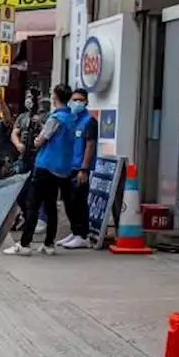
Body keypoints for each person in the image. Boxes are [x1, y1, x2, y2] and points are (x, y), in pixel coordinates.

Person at [3, 83, 76, 257]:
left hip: (45, 165)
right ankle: (49, 244)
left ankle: (25, 244)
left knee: (33, 204)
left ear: (55, 97)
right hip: (62, 167)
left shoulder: (55, 118)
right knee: (51, 205)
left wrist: (37, 140)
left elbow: (40, 140)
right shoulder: (71, 117)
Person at [57, 87, 99, 249]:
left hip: (80, 168)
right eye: (74, 100)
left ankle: (82, 235)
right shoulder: (72, 120)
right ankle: (75, 232)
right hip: (68, 167)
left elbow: (90, 146)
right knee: (69, 201)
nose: (77, 103)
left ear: (86, 102)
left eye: (80, 100)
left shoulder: (89, 121)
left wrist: (84, 169)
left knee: (79, 201)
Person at [10, 88, 47, 232]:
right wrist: (18, 144)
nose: (29, 100)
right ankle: (26, 216)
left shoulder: (44, 116)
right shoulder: (22, 116)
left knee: (38, 189)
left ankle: (41, 219)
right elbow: (15, 132)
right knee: (21, 190)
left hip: (39, 157)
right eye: (27, 97)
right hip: (23, 157)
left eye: (32, 97)